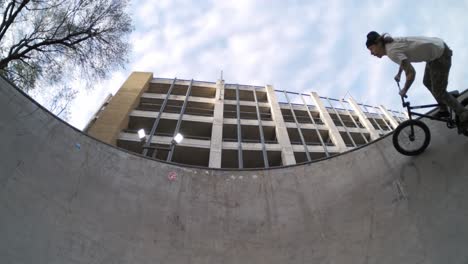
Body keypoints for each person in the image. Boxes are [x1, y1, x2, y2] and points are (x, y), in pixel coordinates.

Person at [365, 31, 468, 130]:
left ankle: (463, 114)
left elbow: (411, 74)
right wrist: (399, 74)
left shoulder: (391, 51)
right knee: (427, 82)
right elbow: (403, 59)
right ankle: (444, 108)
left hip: (440, 55)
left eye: (371, 49)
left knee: (439, 91)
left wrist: (404, 90)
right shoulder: (390, 43)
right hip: (435, 51)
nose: (371, 53)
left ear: (378, 43)